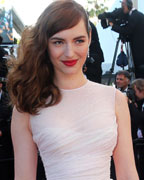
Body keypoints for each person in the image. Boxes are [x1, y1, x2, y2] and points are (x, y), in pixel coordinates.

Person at [7, 0, 139, 179]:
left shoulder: (114, 99)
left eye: (79, 40)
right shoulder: (27, 106)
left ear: (90, 38)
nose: (70, 53)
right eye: (58, 42)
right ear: (45, 43)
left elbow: (128, 174)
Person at [109, 0, 144, 79]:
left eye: (123, 7)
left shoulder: (134, 16)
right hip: (140, 52)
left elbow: (127, 30)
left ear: (128, 6)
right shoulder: (138, 15)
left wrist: (113, 25)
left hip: (139, 54)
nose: (122, 9)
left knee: (140, 76)